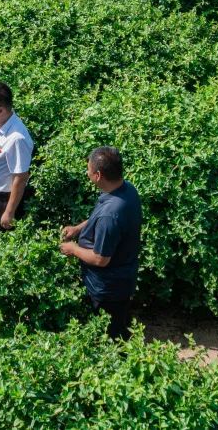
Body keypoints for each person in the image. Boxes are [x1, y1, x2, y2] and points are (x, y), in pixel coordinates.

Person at [59, 146, 142, 341]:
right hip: (123, 277)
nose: (86, 173)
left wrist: (73, 249)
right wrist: (78, 228)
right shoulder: (126, 189)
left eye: (88, 169)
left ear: (98, 175)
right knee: (119, 321)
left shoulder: (110, 214)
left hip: (108, 288)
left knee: (111, 337)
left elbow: (100, 259)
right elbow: (102, 219)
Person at [0, 81, 34, 234]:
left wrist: (9, 212)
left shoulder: (16, 138)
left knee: (4, 236)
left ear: (1, 110)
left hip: (4, 200)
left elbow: (21, 177)